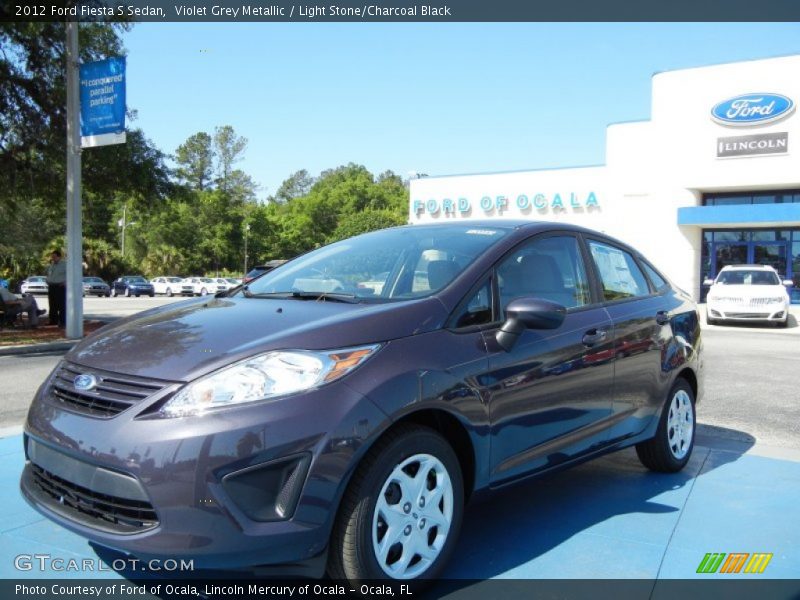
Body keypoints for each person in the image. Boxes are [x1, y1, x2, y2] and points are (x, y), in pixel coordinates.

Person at [46, 250, 67, 327]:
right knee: (52, 304)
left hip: (60, 287)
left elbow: (71, 274)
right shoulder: (51, 265)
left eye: (54, 257)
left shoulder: (65, 264)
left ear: (59, 257)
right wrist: (47, 280)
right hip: (51, 286)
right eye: (52, 257)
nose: (53, 258)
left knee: (61, 305)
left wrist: (66, 282)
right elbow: (49, 274)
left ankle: (62, 322)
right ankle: (53, 320)